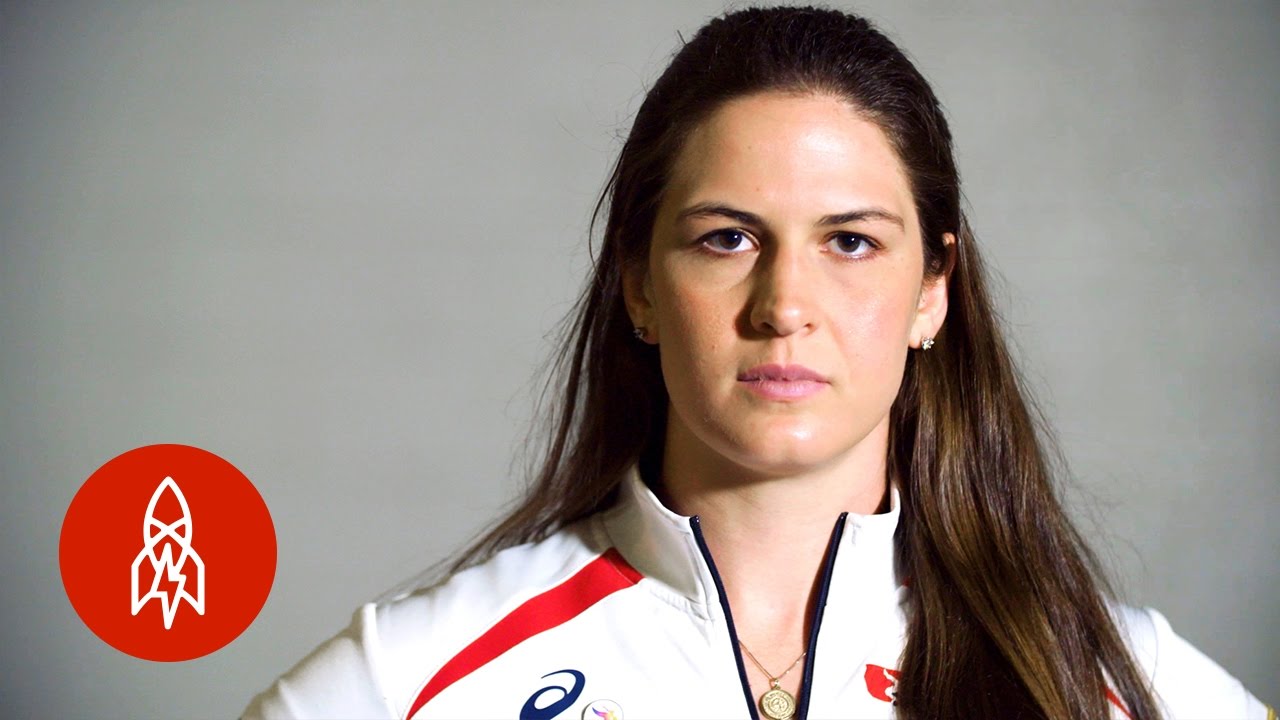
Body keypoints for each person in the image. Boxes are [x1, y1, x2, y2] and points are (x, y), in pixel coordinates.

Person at [241, 6, 1271, 720]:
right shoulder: (411, 682)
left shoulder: (1120, 687)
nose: (784, 307)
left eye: (850, 242)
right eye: (726, 239)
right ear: (640, 286)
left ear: (932, 291)